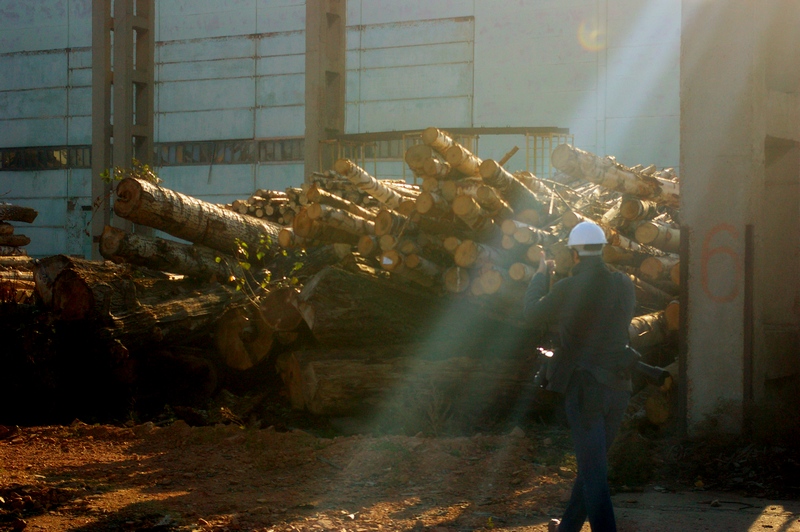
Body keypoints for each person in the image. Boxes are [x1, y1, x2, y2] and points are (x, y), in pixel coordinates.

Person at [523, 221, 636, 532]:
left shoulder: (567, 288)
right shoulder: (624, 284)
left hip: (586, 390)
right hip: (619, 388)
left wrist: (540, 274)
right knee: (592, 466)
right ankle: (568, 528)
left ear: (574, 254)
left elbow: (530, 313)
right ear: (601, 250)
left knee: (594, 472)